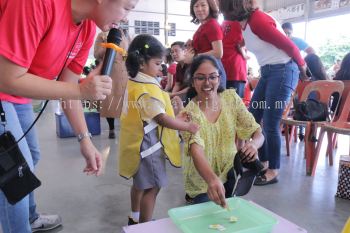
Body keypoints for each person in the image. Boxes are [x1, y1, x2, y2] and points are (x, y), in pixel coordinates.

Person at [0, 0, 139, 232]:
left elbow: (68, 86)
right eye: (127, 7)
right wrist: (81, 90)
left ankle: (29, 217)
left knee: (30, 156)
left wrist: (84, 139)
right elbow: (7, 77)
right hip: (6, 82)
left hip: (16, 91)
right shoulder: (37, 4)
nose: (125, 18)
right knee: (14, 172)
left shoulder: (85, 29)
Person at [219, 0, 308, 185]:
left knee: (270, 121)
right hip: (267, 71)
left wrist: (302, 66)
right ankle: (263, 162)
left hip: (283, 70)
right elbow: (233, 42)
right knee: (252, 117)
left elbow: (290, 46)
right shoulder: (241, 24)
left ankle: (273, 170)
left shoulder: (257, 19)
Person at [118, 34, 200, 224]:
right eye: (157, 63)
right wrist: (186, 126)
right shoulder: (147, 89)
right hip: (149, 150)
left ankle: (135, 216)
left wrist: (176, 116)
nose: (160, 68)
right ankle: (146, 225)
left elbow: (151, 115)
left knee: (139, 184)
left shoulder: (135, 82)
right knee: (152, 188)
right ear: (140, 63)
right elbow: (161, 118)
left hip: (136, 146)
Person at [181, 55, 264, 207]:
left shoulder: (231, 99)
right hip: (202, 180)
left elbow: (256, 131)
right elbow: (196, 151)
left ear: (219, 78)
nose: (207, 83)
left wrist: (254, 144)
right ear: (193, 82)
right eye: (200, 78)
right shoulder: (189, 114)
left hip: (230, 172)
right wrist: (212, 180)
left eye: (212, 77)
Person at [94, 26, 130, 139]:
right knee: (109, 102)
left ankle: (125, 128)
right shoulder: (102, 35)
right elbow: (96, 54)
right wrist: (108, 46)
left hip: (124, 73)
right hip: (109, 70)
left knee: (125, 102)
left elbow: (128, 53)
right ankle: (111, 129)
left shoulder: (125, 35)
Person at [186, 0, 227, 88]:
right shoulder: (203, 26)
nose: (199, 9)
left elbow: (218, 53)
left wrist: (194, 57)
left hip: (212, 71)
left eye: (203, 5)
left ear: (210, 7)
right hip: (204, 69)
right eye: (196, 6)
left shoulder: (212, 25)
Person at [221, 19, 248, 97]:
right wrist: (244, 55)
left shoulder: (223, 23)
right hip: (236, 70)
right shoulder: (238, 23)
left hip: (223, 68)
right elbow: (239, 44)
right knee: (235, 106)